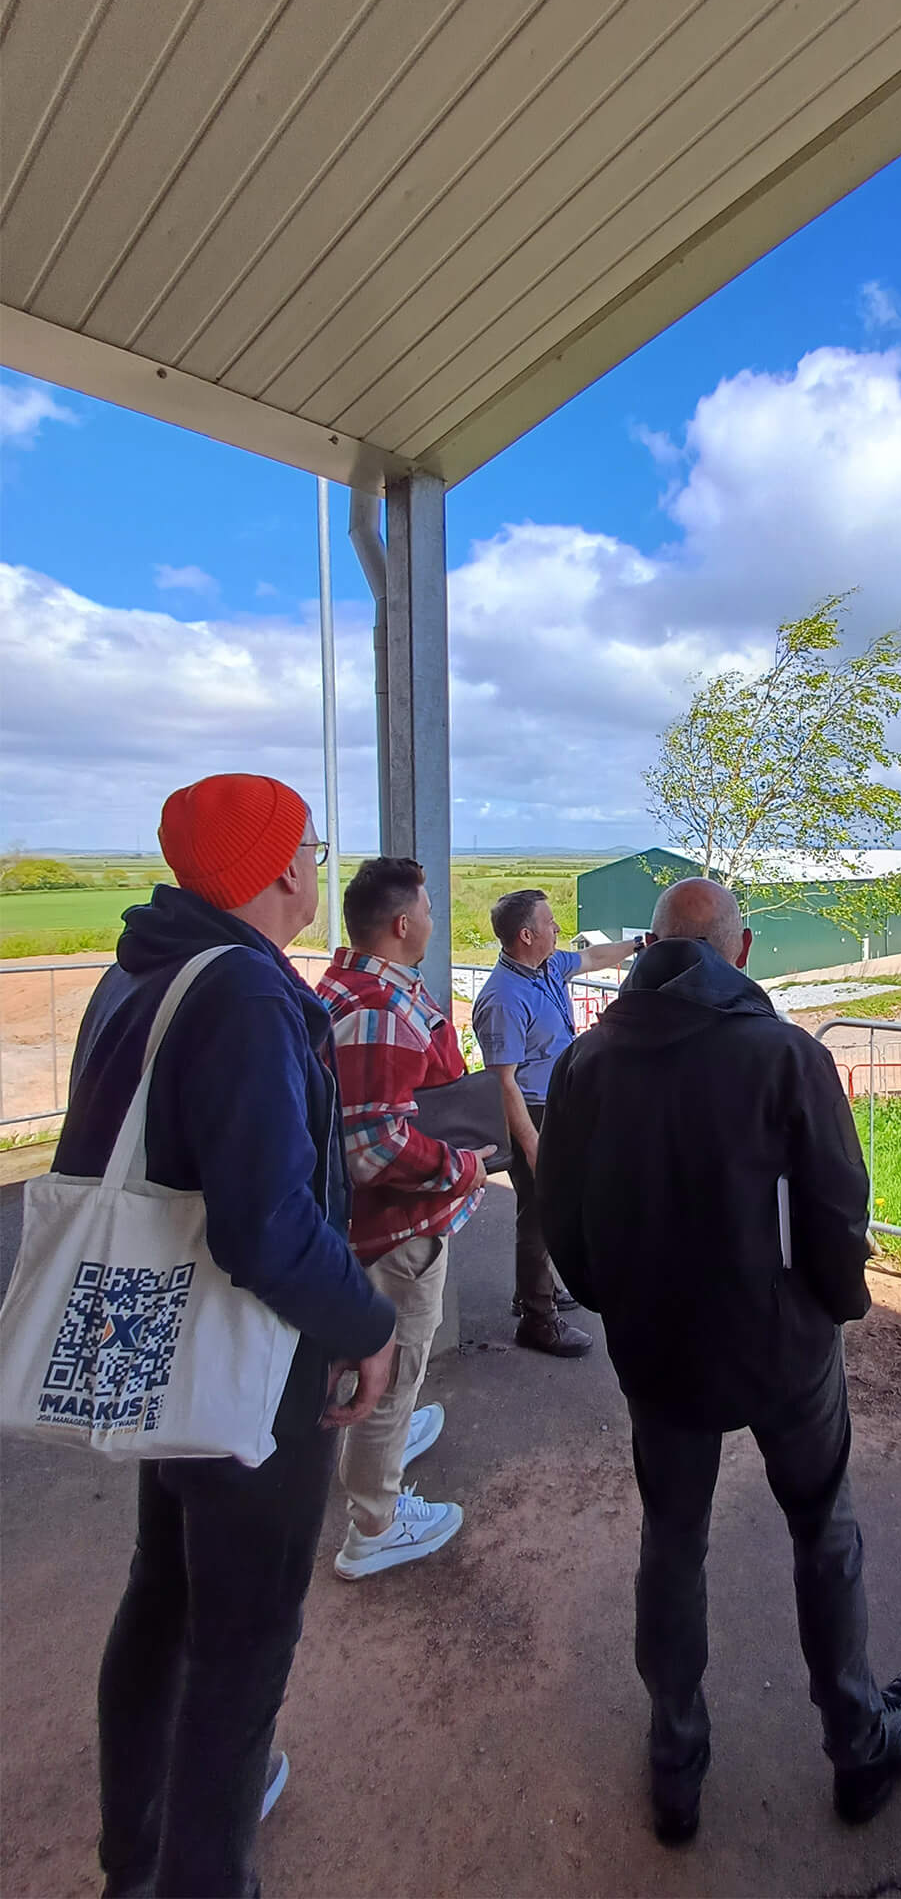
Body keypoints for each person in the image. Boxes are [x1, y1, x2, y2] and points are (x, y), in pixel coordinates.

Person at [536, 877, 901, 1843]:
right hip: (783, 1350)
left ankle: (676, 1766)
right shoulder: (785, 1057)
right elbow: (840, 1207)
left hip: (657, 1350)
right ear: (742, 950)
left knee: (672, 1538)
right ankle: (858, 1744)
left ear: (650, 952)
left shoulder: (591, 1061)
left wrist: (610, 1299)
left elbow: (560, 1208)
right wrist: (834, 1307)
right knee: (823, 1530)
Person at [54, 774, 397, 1899]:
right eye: (309, 843)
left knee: (163, 1591)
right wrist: (365, 1319)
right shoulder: (244, 992)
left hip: (164, 1345)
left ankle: (134, 1853)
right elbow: (267, 1222)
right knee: (241, 1647)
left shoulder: (139, 968)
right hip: (241, 1363)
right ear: (280, 868)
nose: (318, 863)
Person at [317, 856, 491, 1580]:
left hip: (374, 1228)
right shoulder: (379, 1012)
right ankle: (374, 1525)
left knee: (387, 1367)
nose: (431, 921)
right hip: (394, 1233)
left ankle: (379, 1446)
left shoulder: (350, 988)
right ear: (400, 924)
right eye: (426, 910)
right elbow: (375, 1145)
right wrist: (462, 1168)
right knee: (392, 1362)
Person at [471, 890, 637, 1357]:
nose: (557, 928)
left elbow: (592, 956)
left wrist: (642, 945)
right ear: (526, 935)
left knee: (547, 1209)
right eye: (550, 922)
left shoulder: (546, 967)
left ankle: (532, 1291)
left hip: (555, 1104)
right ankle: (538, 1320)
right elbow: (503, 1084)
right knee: (540, 1215)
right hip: (530, 1111)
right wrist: (533, 1145)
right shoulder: (503, 999)